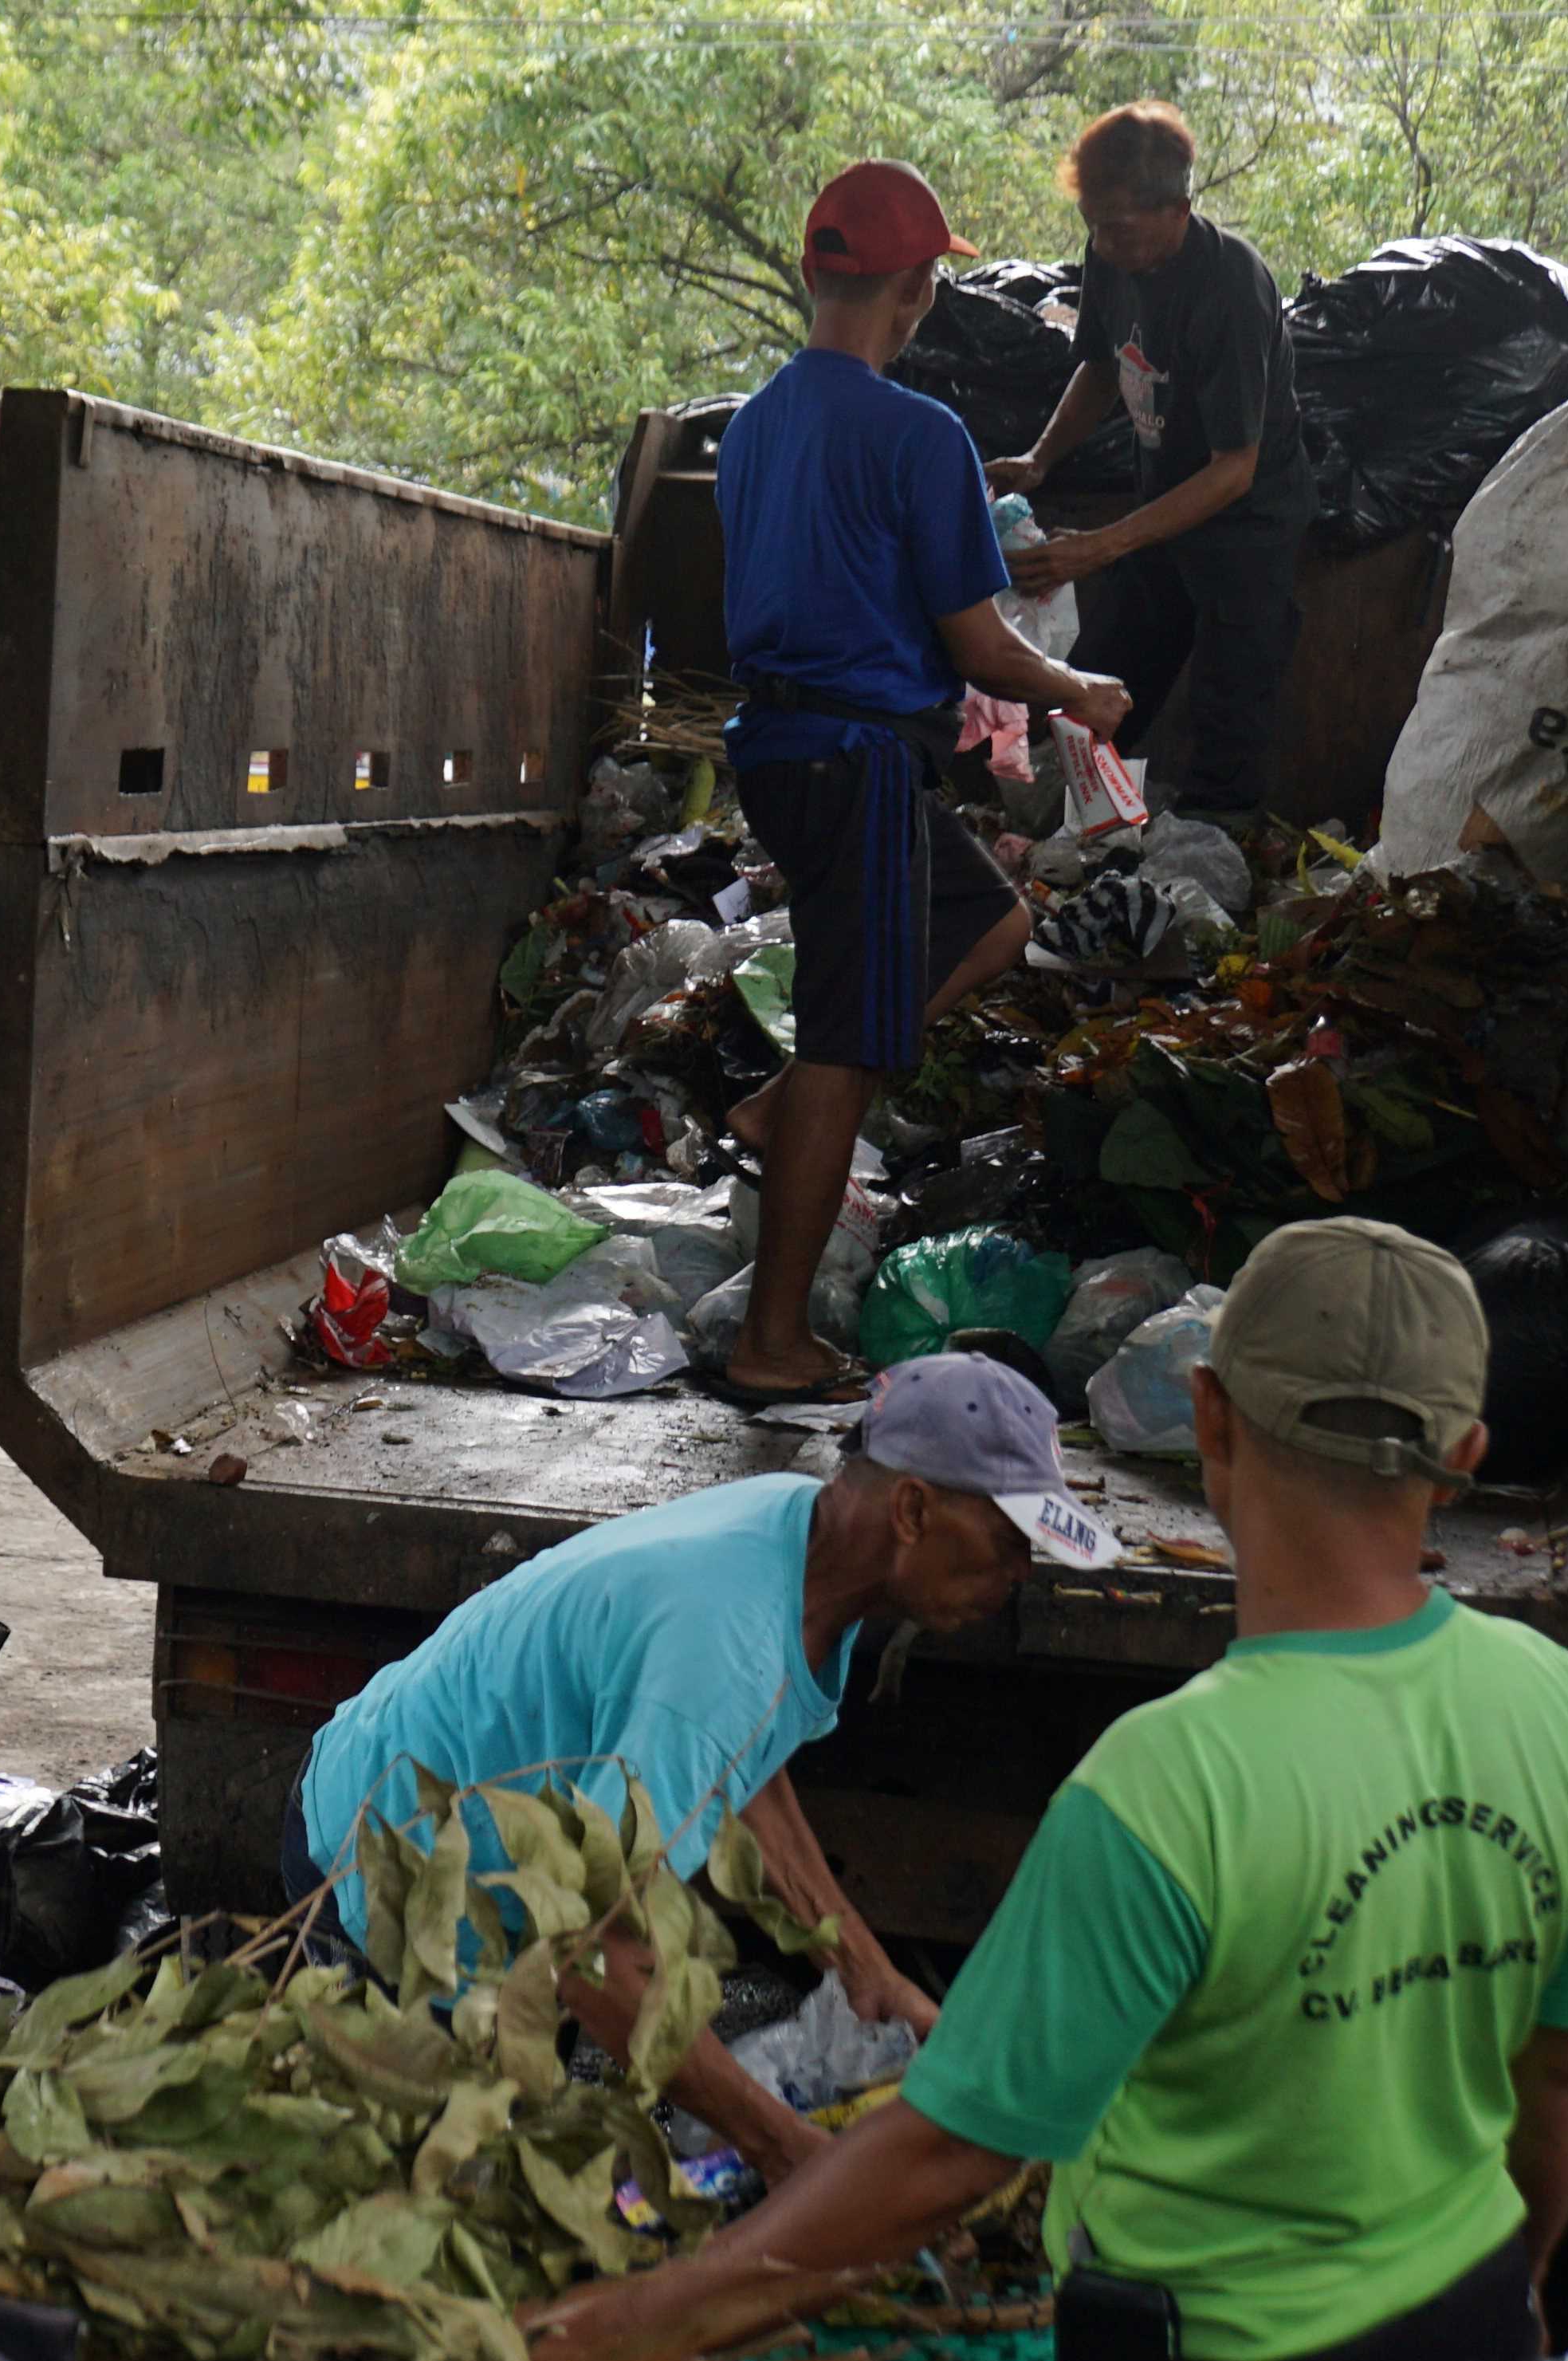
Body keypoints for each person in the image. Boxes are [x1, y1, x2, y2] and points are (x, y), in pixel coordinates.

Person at [525, 1222, 1568, 2361]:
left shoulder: (1167, 1786)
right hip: (1467, 2344)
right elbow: (1565, 2077)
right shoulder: (1562, 1708)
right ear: (1464, 1457)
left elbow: (947, 2153)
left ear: (1207, 1422)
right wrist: (1512, 2291)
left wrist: (623, 2326)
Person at [284, 1352, 1118, 2174]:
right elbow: (592, 1958)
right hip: (381, 1875)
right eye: (1008, 1542)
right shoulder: (726, 1652)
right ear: (908, 1510)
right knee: (429, 2211)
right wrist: (788, 2152)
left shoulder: (796, 1531)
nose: (1018, 1574)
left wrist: (868, 1975)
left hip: (408, 1802)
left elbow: (739, 1763)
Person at [713, 159, 1133, 1406]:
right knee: (847, 1046)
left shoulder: (751, 427)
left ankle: (775, 1105)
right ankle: (771, 1340)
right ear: (913, 288)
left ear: (809, 273)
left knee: (995, 921)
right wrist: (1082, 693)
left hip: (783, 752)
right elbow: (981, 645)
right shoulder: (919, 434)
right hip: (853, 760)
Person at [988, 101, 1310, 825]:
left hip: (1244, 528)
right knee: (1099, 687)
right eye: (1093, 225)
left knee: (1228, 715)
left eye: (1120, 228)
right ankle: (1085, 837)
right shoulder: (1109, 258)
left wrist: (1100, 546)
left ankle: (1210, 874)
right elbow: (1102, 368)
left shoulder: (1229, 290)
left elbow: (1235, 469)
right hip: (1161, 507)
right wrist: (1040, 460)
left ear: (1178, 208)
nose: (1102, 244)